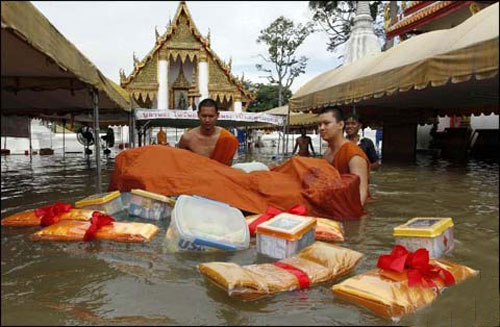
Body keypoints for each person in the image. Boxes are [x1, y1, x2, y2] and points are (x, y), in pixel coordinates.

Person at [319, 107, 370, 205]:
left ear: (341, 125)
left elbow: (361, 194)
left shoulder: (354, 155)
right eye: (319, 124)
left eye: (326, 123)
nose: (321, 128)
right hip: (334, 204)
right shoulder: (327, 153)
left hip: (349, 210)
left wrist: (351, 220)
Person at [178, 98, 238, 165]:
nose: (207, 120)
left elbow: (227, 168)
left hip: (220, 174)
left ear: (217, 115)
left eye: (211, 116)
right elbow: (181, 165)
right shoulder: (187, 139)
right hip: (196, 174)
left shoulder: (228, 139)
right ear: (198, 115)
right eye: (204, 116)